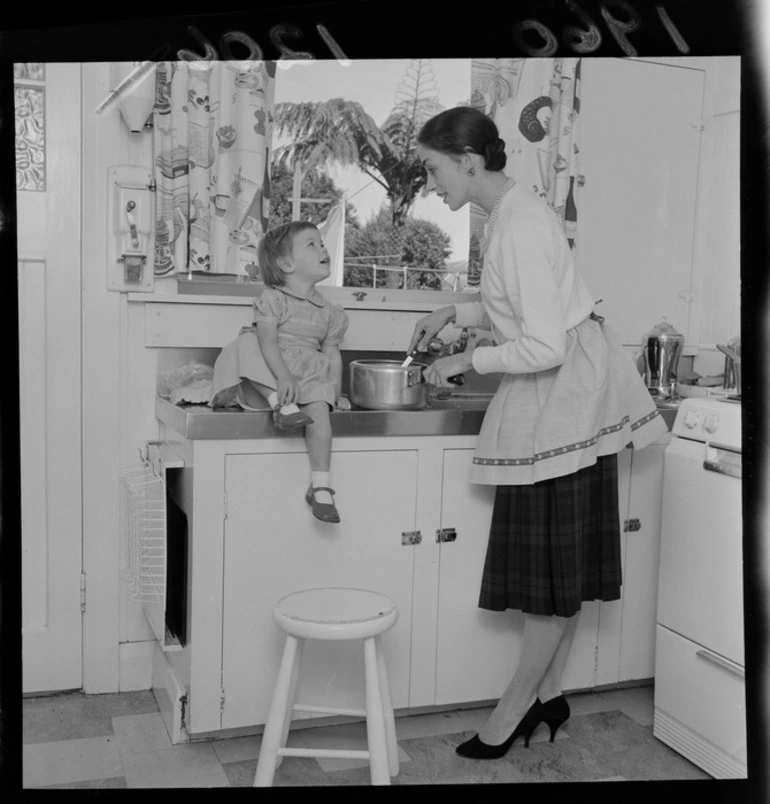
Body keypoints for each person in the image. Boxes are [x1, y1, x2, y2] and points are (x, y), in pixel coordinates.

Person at [408, 107, 667, 759]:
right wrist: (455, 308)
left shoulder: (517, 225)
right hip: (574, 401)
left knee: (549, 576)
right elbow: (529, 300)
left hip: (562, 403)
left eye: (435, 168)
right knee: (562, 568)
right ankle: (550, 694)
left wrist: (468, 358)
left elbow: (543, 344)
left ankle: (514, 708)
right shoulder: (515, 212)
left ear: (469, 161)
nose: (431, 183)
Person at [244, 221, 350, 523]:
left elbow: (332, 355)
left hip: (310, 374)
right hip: (273, 372)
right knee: (244, 345)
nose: (323, 248)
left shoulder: (330, 312)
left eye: (321, 243)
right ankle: (281, 402)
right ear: (286, 264)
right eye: (312, 244)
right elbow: (266, 341)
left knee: (320, 415)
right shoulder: (273, 298)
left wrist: (335, 393)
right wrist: (283, 378)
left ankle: (321, 487)